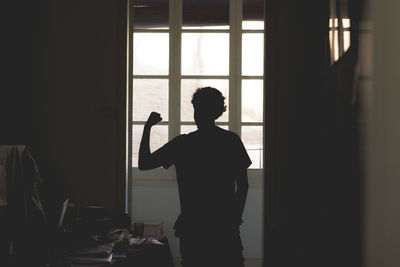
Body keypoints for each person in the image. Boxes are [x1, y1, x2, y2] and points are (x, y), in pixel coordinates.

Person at [139, 87, 251, 267]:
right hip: (223, 225)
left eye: (198, 109)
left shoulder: (184, 143)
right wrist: (233, 218)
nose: (197, 114)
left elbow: (144, 163)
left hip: (193, 226)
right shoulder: (230, 141)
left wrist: (148, 128)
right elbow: (243, 186)